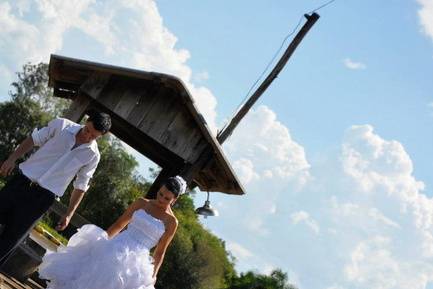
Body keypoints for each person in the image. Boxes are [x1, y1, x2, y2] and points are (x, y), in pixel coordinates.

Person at [0, 110, 111, 266]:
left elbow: (81, 185)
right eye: (87, 130)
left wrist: (69, 214)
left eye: (93, 136)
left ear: (101, 136)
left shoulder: (93, 156)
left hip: (41, 199)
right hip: (21, 183)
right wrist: (12, 159)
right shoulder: (62, 125)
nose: (87, 137)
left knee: (10, 240)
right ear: (87, 121)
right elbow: (34, 139)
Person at [38, 176, 185, 289]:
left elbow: (160, 251)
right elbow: (120, 224)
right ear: (159, 189)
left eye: (167, 198)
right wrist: (102, 240)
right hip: (118, 246)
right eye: (160, 194)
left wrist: (154, 274)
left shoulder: (172, 222)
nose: (161, 199)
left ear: (174, 200)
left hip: (138, 262)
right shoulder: (141, 203)